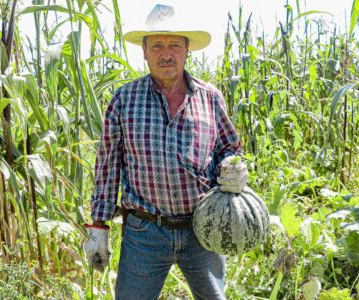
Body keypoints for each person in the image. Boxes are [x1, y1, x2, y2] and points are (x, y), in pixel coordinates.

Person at [83, 4, 248, 300]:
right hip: (145, 231)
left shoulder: (209, 98)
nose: (166, 53)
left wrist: (234, 168)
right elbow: (107, 165)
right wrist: (99, 224)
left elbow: (229, 147)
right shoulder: (124, 100)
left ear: (187, 50)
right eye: (157, 45)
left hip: (202, 229)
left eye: (174, 45)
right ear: (144, 52)